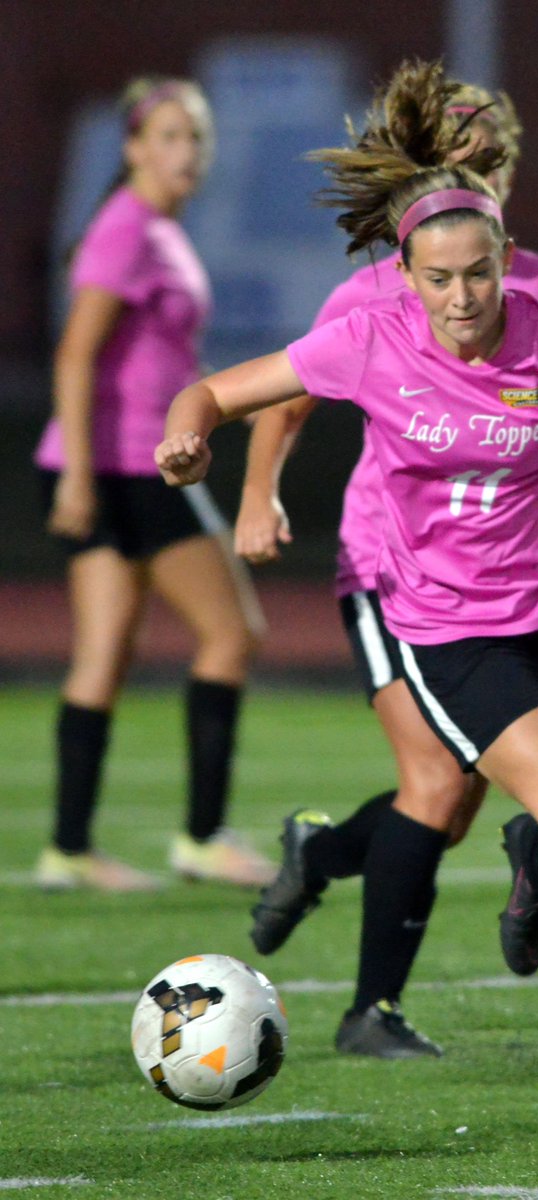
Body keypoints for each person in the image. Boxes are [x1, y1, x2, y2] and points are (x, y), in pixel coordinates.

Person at [153, 59, 538, 1121]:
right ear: (404, 274)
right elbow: (216, 390)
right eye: (438, 279)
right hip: (445, 625)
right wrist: (191, 442)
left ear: (504, 257)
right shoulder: (368, 336)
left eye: (478, 275)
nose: (460, 298)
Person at [234, 70, 538, 1060]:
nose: (475, 173)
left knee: (456, 801)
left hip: (511, 579)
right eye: (455, 157)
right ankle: (368, 1012)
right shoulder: (380, 286)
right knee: (433, 782)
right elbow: (287, 395)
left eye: (490, 157)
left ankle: (324, 849)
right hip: (392, 568)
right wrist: (259, 494)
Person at [32, 76, 273, 893]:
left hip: (121, 462)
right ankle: (202, 837)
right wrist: (78, 476)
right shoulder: (127, 228)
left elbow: (157, 356)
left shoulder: (155, 228)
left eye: (196, 136)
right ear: (133, 147)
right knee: (232, 632)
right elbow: (75, 353)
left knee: (105, 653)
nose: (186, 151)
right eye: (168, 135)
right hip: (131, 466)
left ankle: (68, 849)